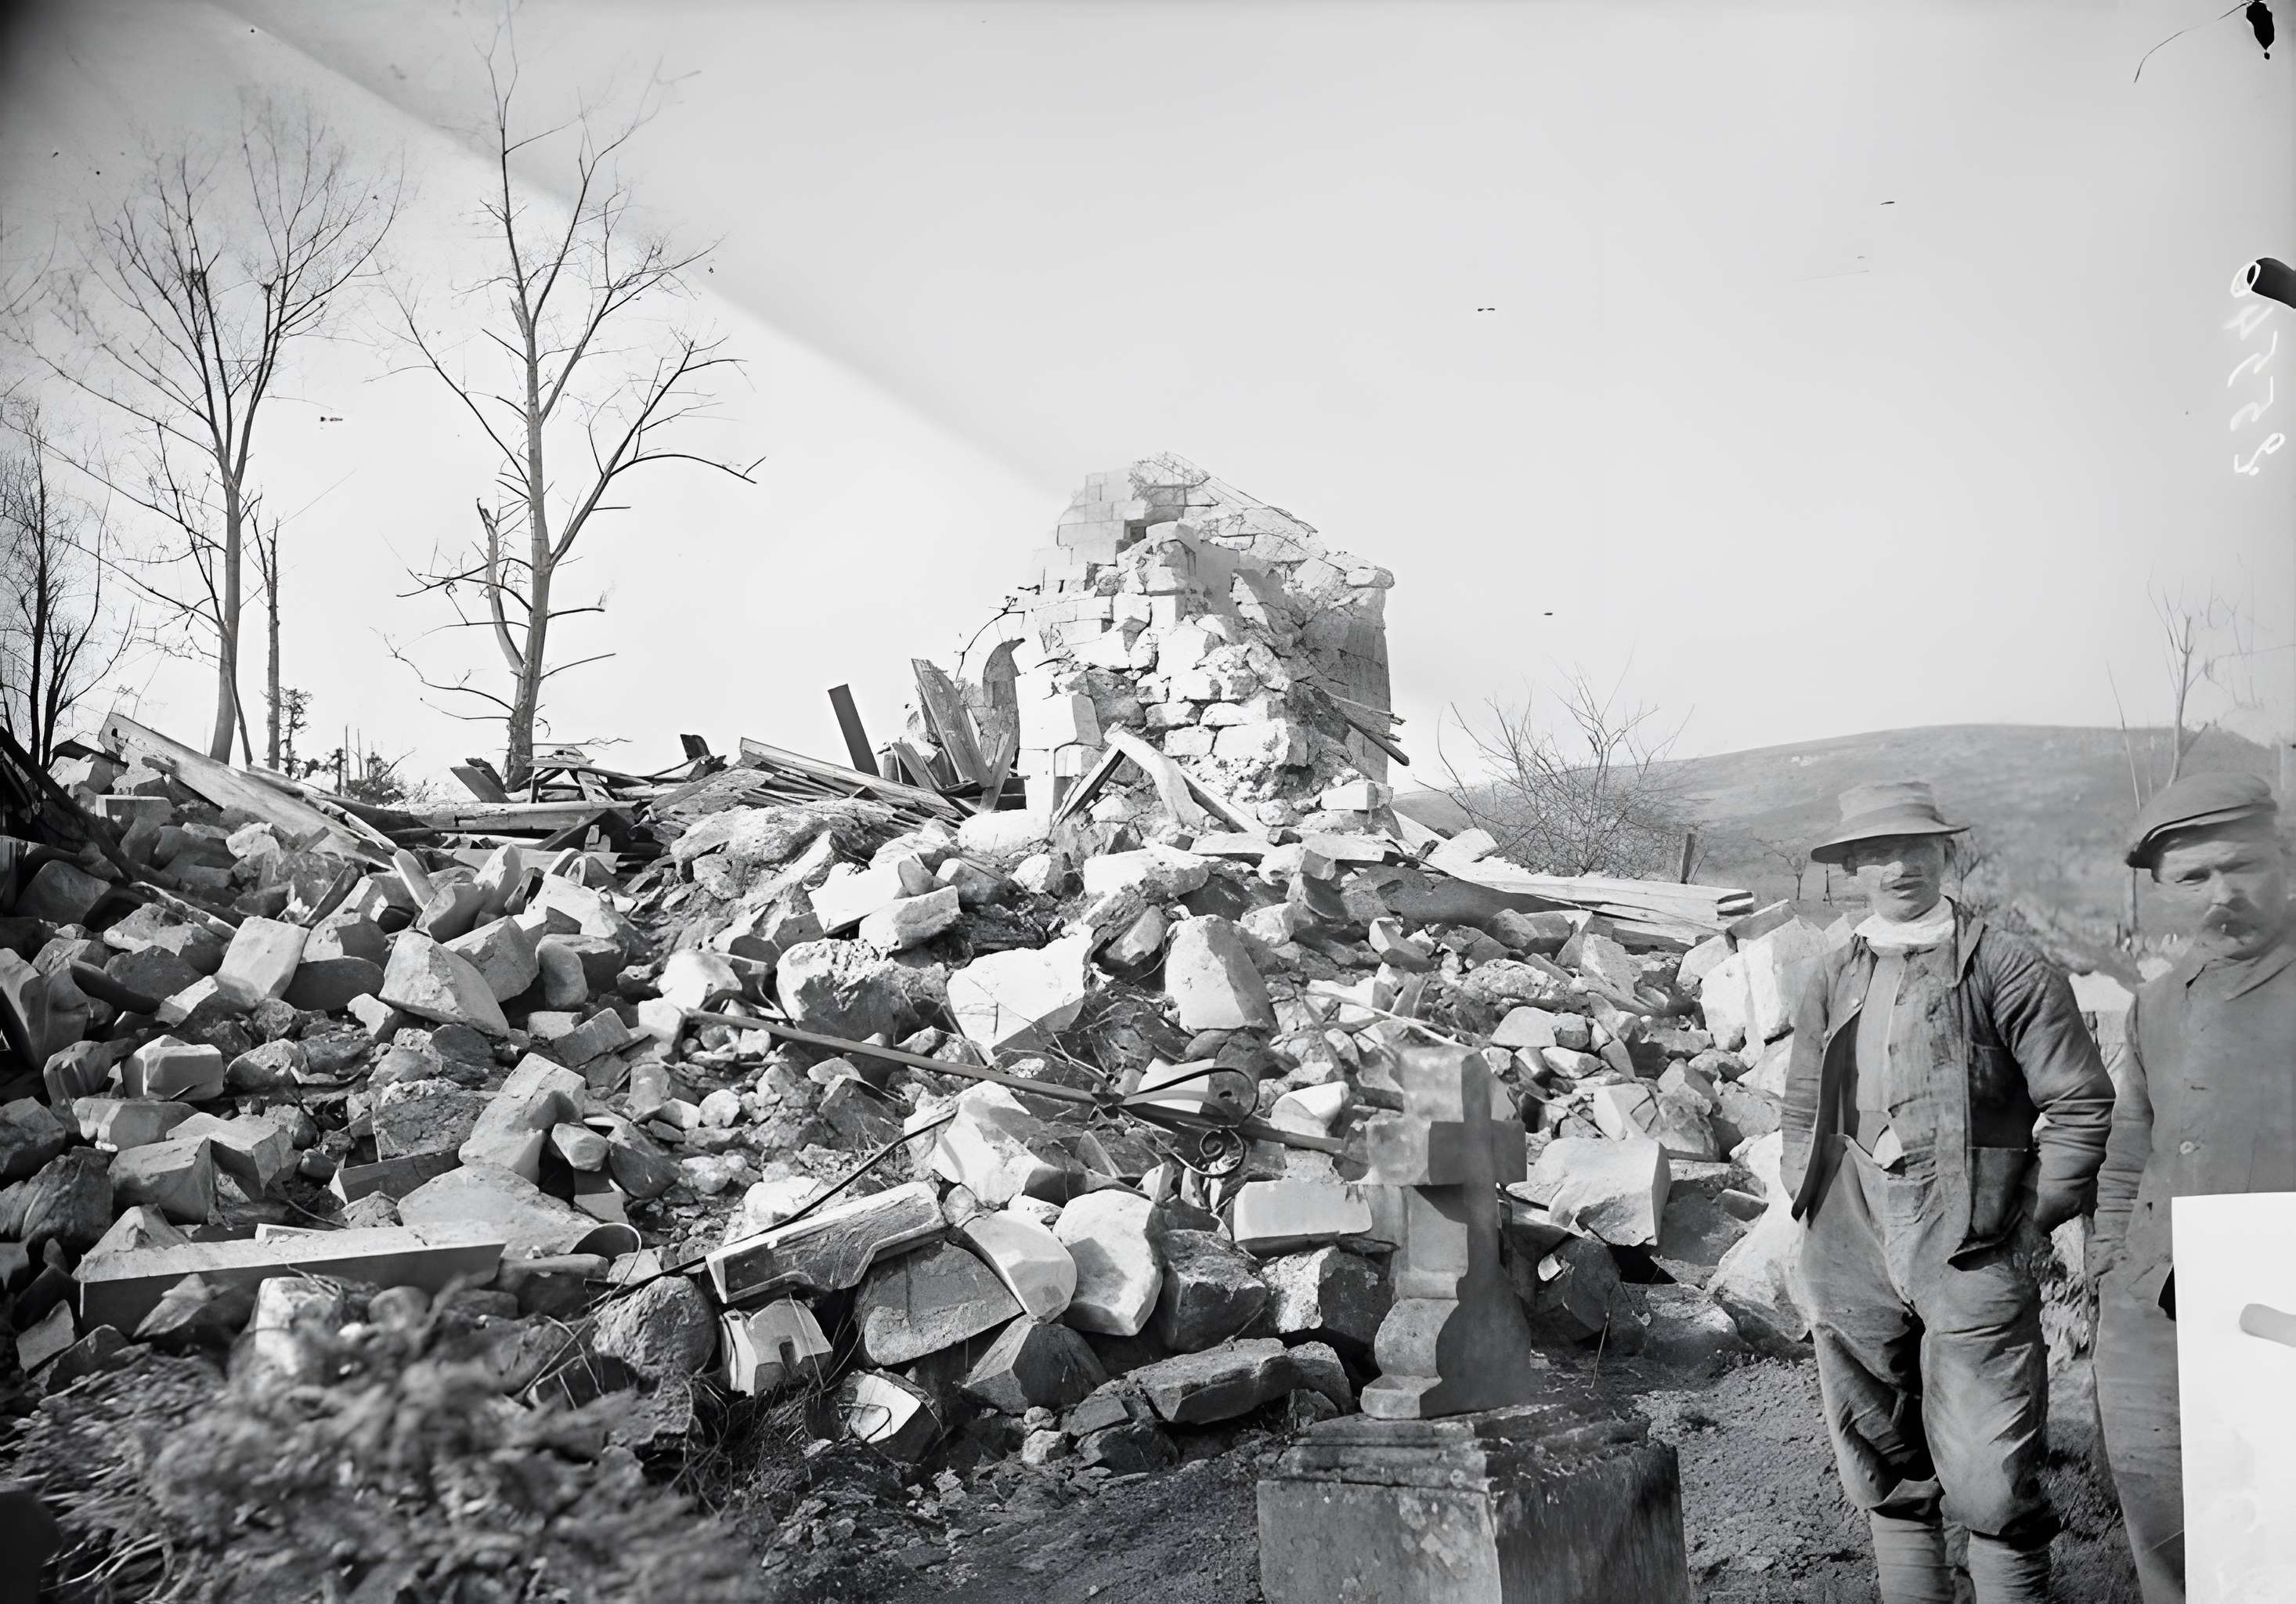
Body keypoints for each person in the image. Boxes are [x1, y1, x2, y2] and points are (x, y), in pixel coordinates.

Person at [1780, 781, 2114, 1604]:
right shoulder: (1833, 970)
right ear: (1853, 865)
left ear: (1945, 854)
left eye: (1917, 848)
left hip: (1971, 1232)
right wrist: (1807, 1190)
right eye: (1879, 852)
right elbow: (1798, 1102)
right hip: (1851, 1226)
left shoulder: (2004, 961)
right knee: (1878, 1445)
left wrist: (2030, 1212)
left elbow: (2078, 1100)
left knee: (1990, 1462)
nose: (1899, 866)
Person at [2091, 771, 2295, 1604]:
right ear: (2163, 892)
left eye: (2240, 866)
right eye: (2193, 878)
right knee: (2168, 1550)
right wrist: (2109, 1267)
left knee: (2266, 1557)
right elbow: (2127, 1147)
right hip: (2149, 1313)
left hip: (2275, 1316)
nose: (2223, 895)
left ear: (2282, 858)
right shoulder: (2158, 1004)